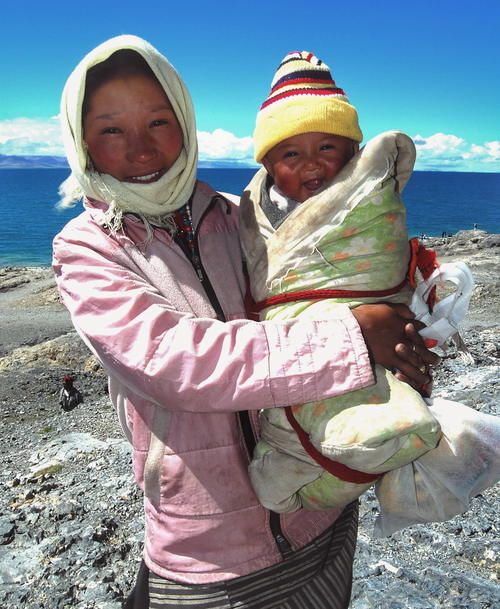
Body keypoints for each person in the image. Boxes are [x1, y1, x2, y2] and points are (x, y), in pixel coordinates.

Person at [52, 36, 439, 609]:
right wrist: (356, 334)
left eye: (159, 121)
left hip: (321, 498)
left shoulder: (244, 220)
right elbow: (175, 361)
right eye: (111, 129)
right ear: (80, 140)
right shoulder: (88, 249)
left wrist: (405, 333)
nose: (140, 148)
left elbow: (332, 286)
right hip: (210, 550)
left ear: (185, 122)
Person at [239, 51, 500, 532]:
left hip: (371, 342)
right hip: (297, 348)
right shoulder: (249, 215)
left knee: (368, 409)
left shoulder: (368, 199)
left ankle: (378, 443)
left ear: (354, 153)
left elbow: (382, 254)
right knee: (301, 419)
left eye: (328, 147)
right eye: (291, 153)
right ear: (269, 163)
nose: (312, 164)